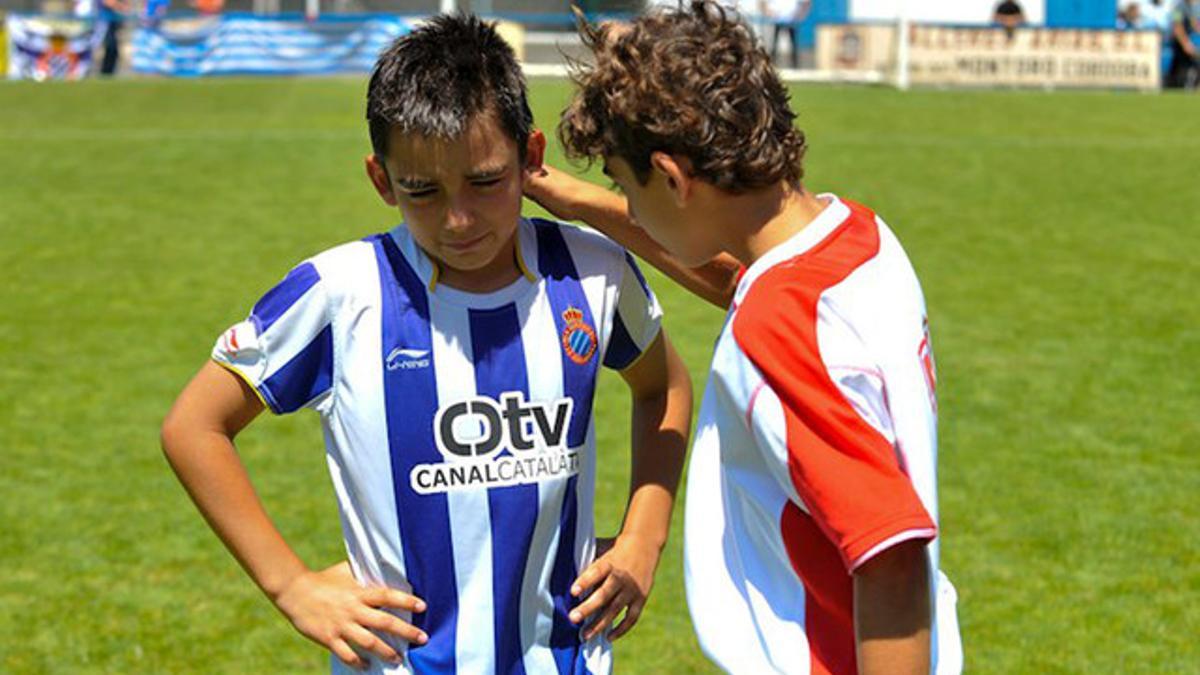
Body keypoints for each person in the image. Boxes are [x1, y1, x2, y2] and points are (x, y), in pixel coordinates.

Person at [160, 13, 692, 674]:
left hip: (567, 659)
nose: (458, 217)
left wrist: (645, 532)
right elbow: (194, 425)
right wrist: (291, 584)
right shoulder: (339, 293)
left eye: (485, 181)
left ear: (530, 158)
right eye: (422, 191)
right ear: (382, 180)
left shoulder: (592, 272)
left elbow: (663, 384)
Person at [524, 1, 962, 673]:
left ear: (671, 177)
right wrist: (590, 206)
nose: (629, 203)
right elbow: (744, 280)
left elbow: (890, 556)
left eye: (624, 184)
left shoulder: (778, 329)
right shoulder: (857, 238)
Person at [763, 0, 810, 69]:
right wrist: (769, 12)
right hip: (778, 20)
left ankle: (795, 66)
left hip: (791, 20)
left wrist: (801, 14)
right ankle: (771, 64)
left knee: (793, 45)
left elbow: (806, 2)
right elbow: (762, 3)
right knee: (774, 44)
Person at [1166, 0, 1200, 88]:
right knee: (1181, 71)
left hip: (1196, 42)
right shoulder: (1178, 7)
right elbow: (1177, 26)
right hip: (1181, 45)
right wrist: (1186, 44)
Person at [98, 0, 130, 76]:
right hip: (106, 23)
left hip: (114, 23)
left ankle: (109, 73)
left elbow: (126, 6)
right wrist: (120, 6)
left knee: (114, 50)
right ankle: (105, 72)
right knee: (110, 48)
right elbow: (109, 3)